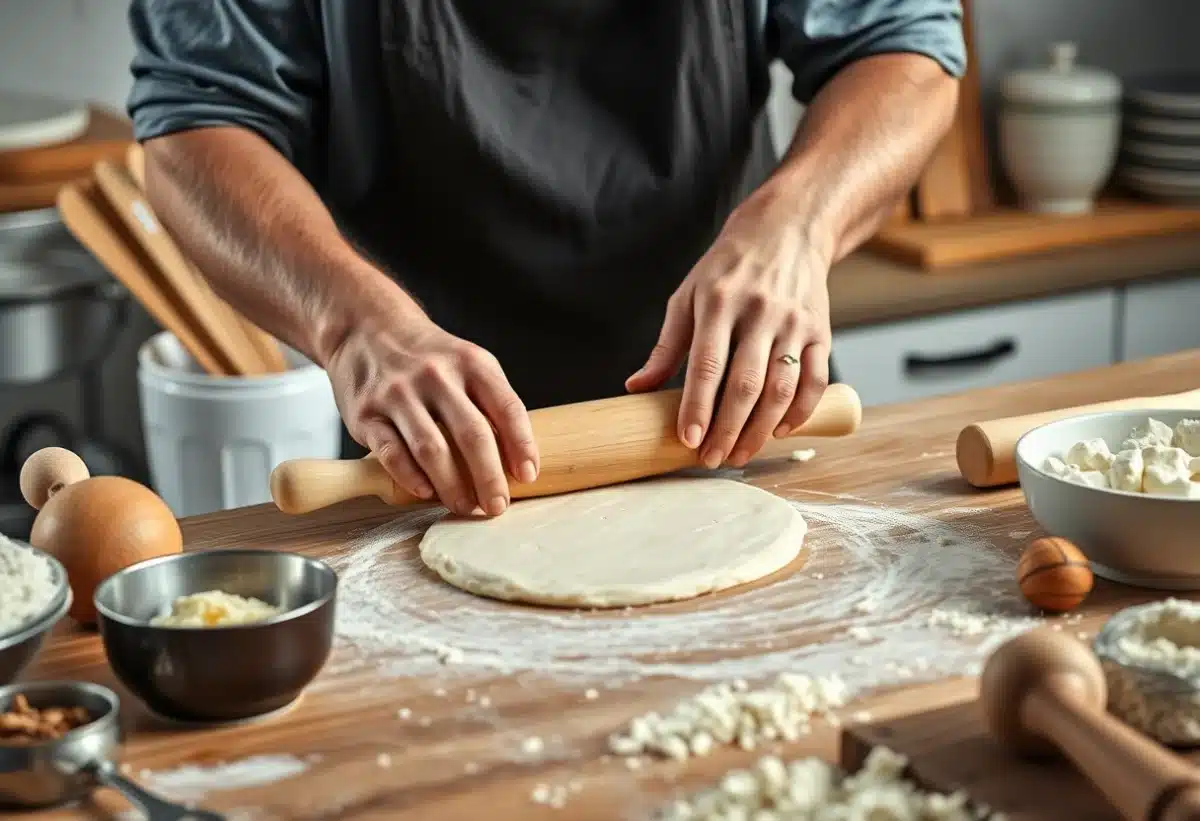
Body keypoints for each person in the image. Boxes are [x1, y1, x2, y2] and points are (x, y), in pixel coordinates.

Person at [126, 0, 964, 518]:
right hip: (429, 451)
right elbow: (197, 117)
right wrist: (351, 325)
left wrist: (797, 225)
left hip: (740, 406)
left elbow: (902, 45)